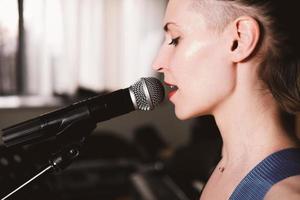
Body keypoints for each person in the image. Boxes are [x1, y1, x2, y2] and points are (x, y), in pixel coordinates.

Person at [152, 0, 300, 199]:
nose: (158, 63)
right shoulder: (224, 167)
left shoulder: (281, 194)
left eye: (176, 39)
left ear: (240, 40)